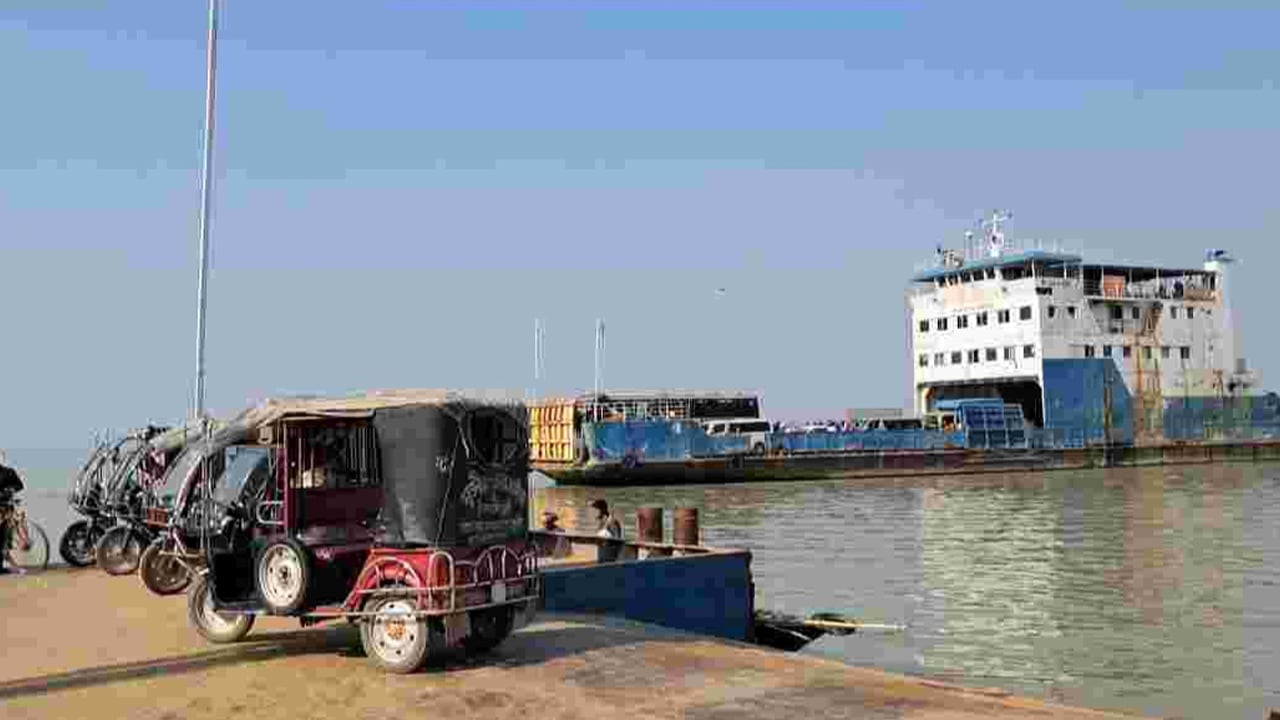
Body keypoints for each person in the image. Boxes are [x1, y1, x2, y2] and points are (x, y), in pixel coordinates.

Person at [0, 450, 26, 575]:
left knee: (6, 537)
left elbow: (20, 485)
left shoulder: (9, 472)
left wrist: (10, 489)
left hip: (7, 507)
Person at [590, 499, 623, 563]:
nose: (594, 513)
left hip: (610, 555)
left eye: (596, 510)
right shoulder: (603, 521)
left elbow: (616, 540)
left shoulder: (612, 522)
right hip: (603, 554)